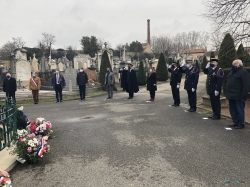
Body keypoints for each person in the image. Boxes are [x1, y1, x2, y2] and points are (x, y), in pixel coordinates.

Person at [226, 59, 250, 129]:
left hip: (238, 95)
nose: (233, 65)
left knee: (240, 110)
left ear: (239, 64)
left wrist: (244, 96)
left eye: (235, 64)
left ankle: (241, 123)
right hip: (231, 95)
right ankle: (235, 122)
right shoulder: (232, 72)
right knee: (232, 110)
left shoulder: (243, 72)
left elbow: (246, 85)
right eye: (233, 64)